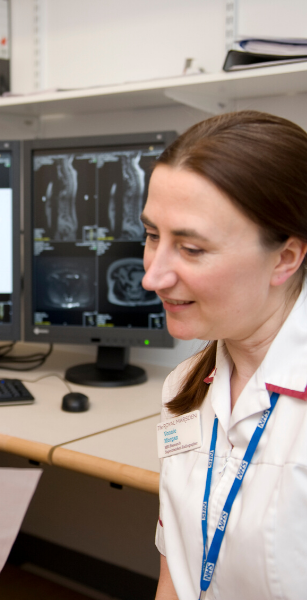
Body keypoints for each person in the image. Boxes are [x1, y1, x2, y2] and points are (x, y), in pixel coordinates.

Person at [141, 110, 307, 600]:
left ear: (285, 258)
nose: (153, 276)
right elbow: (179, 564)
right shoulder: (186, 387)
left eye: (190, 248)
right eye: (153, 236)